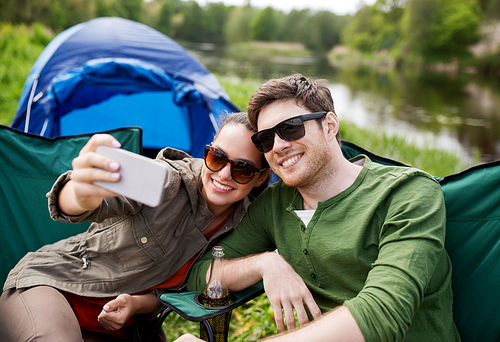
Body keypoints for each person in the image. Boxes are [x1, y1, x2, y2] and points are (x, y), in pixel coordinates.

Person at [183, 74, 461, 341]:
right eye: (266, 139)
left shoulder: (408, 193)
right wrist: (264, 263)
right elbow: (202, 274)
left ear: (329, 126)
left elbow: (384, 314)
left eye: (291, 128)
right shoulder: (275, 204)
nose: (278, 146)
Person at [0, 112, 270, 342]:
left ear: (260, 178)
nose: (223, 174)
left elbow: (186, 288)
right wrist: (80, 193)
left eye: (243, 169)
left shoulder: (247, 223)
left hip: (123, 327)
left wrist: (138, 303)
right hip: (54, 288)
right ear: (207, 150)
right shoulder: (167, 180)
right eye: (217, 156)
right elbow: (83, 203)